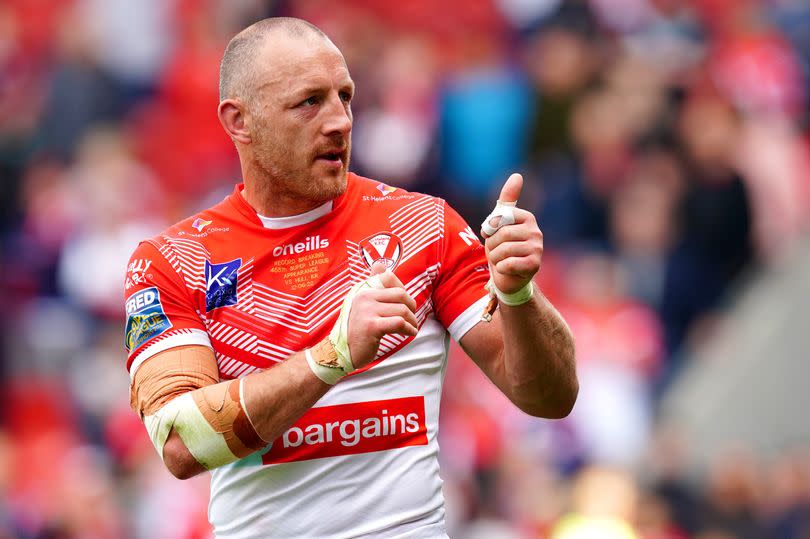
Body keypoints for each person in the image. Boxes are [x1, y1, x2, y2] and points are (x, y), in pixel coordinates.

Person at [123, 17, 577, 539]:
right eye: (309, 102)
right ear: (238, 121)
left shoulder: (424, 226)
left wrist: (519, 294)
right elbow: (181, 445)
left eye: (345, 96)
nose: (339, 120)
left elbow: (550, 398)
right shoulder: (172, 260)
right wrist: (332, 357)